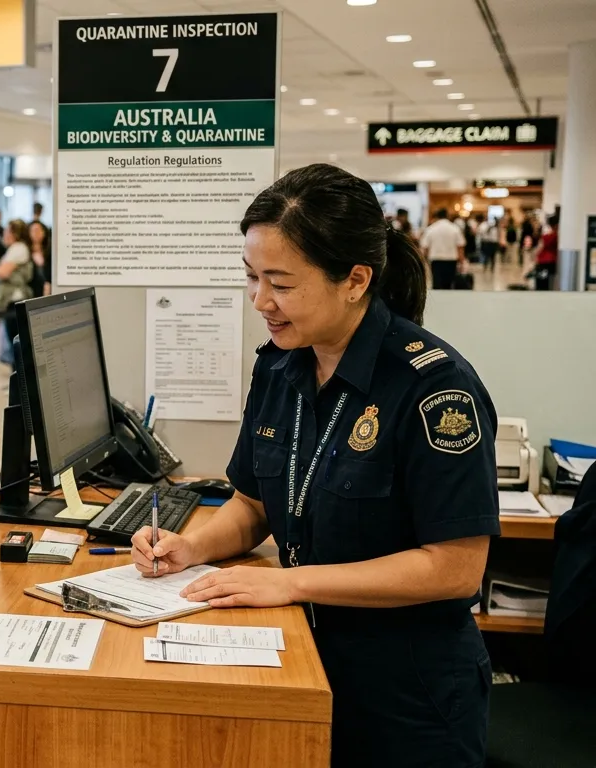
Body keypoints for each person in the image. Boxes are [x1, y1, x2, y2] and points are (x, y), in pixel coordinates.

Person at [131, 163, 496, 768]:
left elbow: (455, 569)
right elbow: (252, 505)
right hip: (301, 655)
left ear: (355, 280)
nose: (260, 301)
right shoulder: (281, 364)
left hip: (404, 693)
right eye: (251, 277)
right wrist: (191, 548)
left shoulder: (433, 387)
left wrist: (289, 582)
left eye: (281, 282)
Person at [0, 219, 35, 349]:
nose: (4, 235)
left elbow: (3, 272)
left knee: (15, 340)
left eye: (7, 231)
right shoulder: (17, 249)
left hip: (14, 298)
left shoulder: (18, 248)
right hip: (12, 299)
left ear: (14, 233)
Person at [420, 207, 465, 290]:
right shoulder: (455, 229)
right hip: (451, 260)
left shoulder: (431, 229)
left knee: (436, 283)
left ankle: (437, 301)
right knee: (449, 284)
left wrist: (423, 262)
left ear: (437, 216)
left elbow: (425, 247)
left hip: (436, 261)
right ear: (447, 216)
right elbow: (460, 247)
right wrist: (462, 262)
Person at [533, 211, 559, 291]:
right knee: (549, 284)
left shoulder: (546, 236)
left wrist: (535, 258)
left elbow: (539, 249)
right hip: (551, 262)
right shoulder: (557, 236)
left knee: (541, 283)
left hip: (542, 263)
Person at [27, 219, 52, 298]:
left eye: (38, 230)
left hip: (48, 292)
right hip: (30, 293)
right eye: (33, 231)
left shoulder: (50, 252)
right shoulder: (25, 252)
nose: (36, 233)